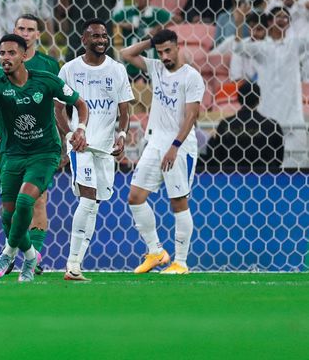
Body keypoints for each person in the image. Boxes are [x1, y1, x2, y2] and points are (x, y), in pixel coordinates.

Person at [0, 34, 88, 282]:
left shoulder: (46, 81)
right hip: (12, 154)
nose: (5, 58)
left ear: (24, 55)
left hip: (44, 153)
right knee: (7, 215)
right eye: (2, 54)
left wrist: (80, 129)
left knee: (26, 201)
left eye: (11, 53)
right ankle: (31, 257)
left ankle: (8, 252)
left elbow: (80, 103)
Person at [0, 14, 61, 273]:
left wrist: (65, 140)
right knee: (10, 206)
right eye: (20, 28)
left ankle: (32, 256)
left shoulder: (49, 64)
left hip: (41, 146)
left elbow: (58, 105)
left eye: (30, 29)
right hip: (10, 144)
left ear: (38, 34)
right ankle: (23, 253)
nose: (25, 33)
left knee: (37, 200)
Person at [121, 29, 204, 275]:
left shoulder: (191, 77)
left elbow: (192, 116)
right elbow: (126, 54)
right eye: (160, 51)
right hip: (155, 142)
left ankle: (180, 262)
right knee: (135, 197)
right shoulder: (156, 67)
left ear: (178, 47)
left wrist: (175, 147)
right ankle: (156, 252)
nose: (165, 56)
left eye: (168, 50)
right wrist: (151, 41)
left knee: (178, 201)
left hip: (179, 146)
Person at [56, 20, 133, 281]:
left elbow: (125, 110)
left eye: (104, 36)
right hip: (80, 145)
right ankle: (72, 264)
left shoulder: (118, 70)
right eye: (95, 36)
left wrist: (122, 136)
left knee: (95, 205)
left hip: (105, 147)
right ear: (84, 39)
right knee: (88, 199)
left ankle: (77, 265)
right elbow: (58, 109)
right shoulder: (69, 69)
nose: (101, 40)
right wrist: (68, 137)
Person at [233, 6, 309, 168]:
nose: (282, 20)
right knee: (268, 169)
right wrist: (239, 24)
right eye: (278, 17)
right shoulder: (262, 48)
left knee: (297, 168)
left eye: (285, 17)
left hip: (293, 118)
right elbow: (239, 48)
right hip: (268, 120)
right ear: (270, 22)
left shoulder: (295, 45)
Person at [204, 81, 284, 170]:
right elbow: (279, 159)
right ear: (259, 99)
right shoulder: (272, 126)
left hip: (231, 179)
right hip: (265, 179)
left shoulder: (225, 124)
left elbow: (218, 156)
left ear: (238, 99)